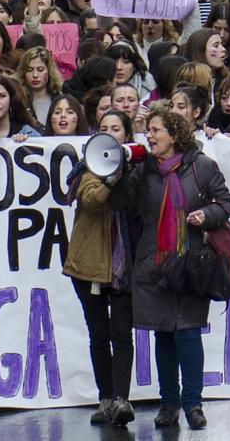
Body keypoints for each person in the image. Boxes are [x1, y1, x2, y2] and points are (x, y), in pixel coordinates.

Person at [112, 105, 230, 431]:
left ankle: (193, 404)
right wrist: (120, 173)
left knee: (189, 332)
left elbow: (225, 204)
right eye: (147, 130)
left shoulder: (202, 166)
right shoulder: (144, 170)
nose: (149, 136)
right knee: (164, 333)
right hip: (154, 262)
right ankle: (169, 404)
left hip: (190, 260)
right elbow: (121, 203)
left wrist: (206, 216)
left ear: (174, 134)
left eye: (155, 130)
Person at [64, 109, 139, 429]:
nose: (110, 133)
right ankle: (105, 397)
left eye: (117, 129)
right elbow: (92, 200)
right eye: (104, 128)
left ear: (126, 135)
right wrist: (111, 178)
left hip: (124, 267)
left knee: (122, 333)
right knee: (99, 334)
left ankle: (121, 399)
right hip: (89, 267)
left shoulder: (140, 167)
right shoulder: (88, 168)